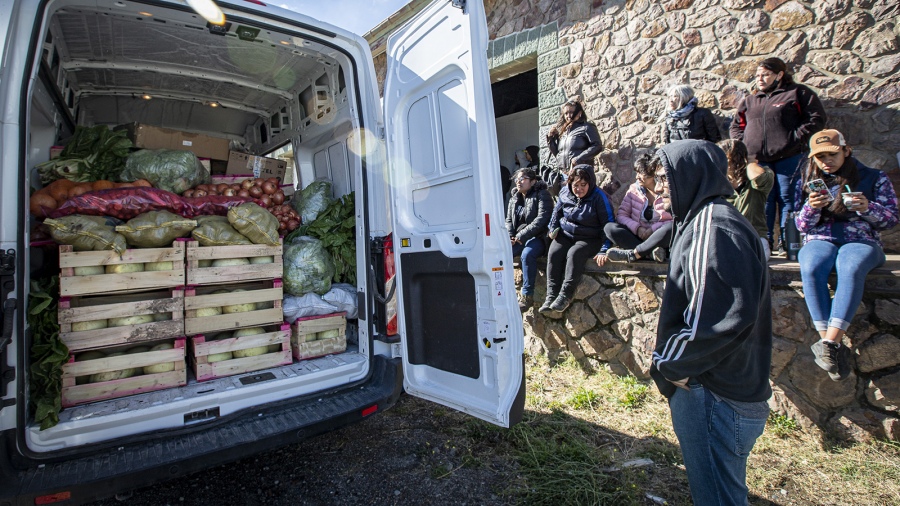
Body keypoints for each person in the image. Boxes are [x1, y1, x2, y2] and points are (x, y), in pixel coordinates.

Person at [649, 140, 772, 505]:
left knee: (717, 497)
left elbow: (720, 319)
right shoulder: (711, 220)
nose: (657, 188)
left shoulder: (713, 227)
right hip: (724, 389)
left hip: (712, 393)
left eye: (664, 179)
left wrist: (669, 366)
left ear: (691, 176)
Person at [796, 129, 899, 381]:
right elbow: (801, 225)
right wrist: (811, 208)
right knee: (810, 265)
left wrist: (868, 207)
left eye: (831, 155)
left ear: (846, 150)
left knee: (850, 266)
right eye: (819, 157)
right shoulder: (810, 179)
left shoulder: (874, 177)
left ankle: (829, 343)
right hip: (821, 238)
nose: (825, 162)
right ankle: (830, 346)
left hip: (861, 240)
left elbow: (891, 219)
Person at [729, 57, 827, 253]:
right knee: (762, 201)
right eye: (758, 75)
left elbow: (816, 118)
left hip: (789, 157)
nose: (760, 79)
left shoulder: (797, 93)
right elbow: (736, 127)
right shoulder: (750, 100)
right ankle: (764, 242)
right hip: (757, 161)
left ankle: (788, 244)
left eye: (765, 74)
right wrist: (745, 145)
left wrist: (795, 138)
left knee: (788, 200)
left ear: (779, 75)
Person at [539, 165, 613, 315]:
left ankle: (565, 295)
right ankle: (551, 295)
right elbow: (556, 214)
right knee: (554, 252)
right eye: (575, 185)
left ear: (590, 183)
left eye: (583, 185)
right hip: (566, 234)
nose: (579, 189)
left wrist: (605, 248)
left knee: (574, 253)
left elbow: (609, 223)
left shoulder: (599, 197)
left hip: (589, 238)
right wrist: (552, 229)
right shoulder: (565, 193)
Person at [603, 153, 673, 264]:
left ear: (652, 174)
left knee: (671, 228)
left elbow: (673, 219)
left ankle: (637, 254)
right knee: (610, 228)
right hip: (637, 238)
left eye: (641, 173)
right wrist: (638, 228)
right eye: (636, 173)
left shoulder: (666, 191)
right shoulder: (634, 190)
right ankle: (650, 254)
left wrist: (653, 229)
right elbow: (621, 215)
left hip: (658, 239)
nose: (637, 177)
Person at [719, 139, 775, 258]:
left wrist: (750, 162)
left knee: (750, 259)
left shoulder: (761, 173)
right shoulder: (718, 181)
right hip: (726, 235)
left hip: (754, 236)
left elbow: (759, 179)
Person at [506, 167, 553, 312]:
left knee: (527, 254)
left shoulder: (542, 194)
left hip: (538, 237)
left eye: (522, 179)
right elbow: (508, 220)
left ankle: (527, 296)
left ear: (533, 181)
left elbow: (542, 220)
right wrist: (510, 236)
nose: (518, 182)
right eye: (517, 179)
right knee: (502, 254)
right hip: (518, 238)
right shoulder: (514, 198)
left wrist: (521, 236)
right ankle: (505, 293)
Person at [546, 98, 602, 182]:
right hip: (564, 175)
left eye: (571, 112)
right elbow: (558, 154)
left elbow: (597, 145)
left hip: (580, 173)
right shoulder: (564, 132)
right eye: (566, 113)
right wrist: (551, 139)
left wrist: (579, 158)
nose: (568, 116)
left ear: (579, 113)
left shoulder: (586, 127)